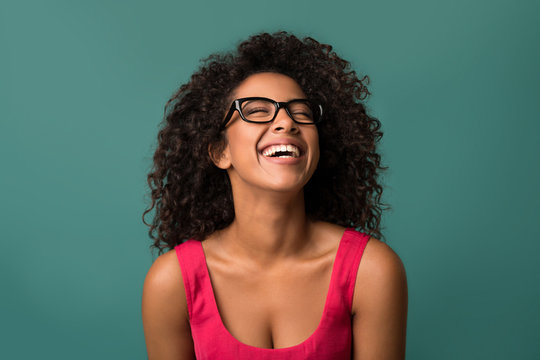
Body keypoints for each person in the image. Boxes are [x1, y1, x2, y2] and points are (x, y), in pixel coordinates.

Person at [141, 31, 408, 359]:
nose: (287, 121)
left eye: (302, 112)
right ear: (219, 151)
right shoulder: (172, 283)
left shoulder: (372, 271)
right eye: (255, 110)